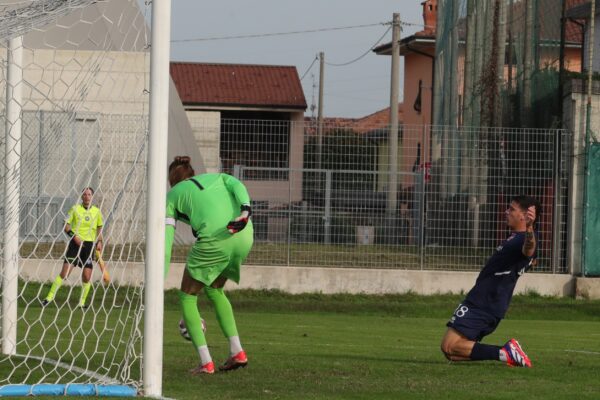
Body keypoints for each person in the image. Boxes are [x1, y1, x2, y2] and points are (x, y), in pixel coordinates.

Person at [164, 156, 254, 375]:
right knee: (215, 289)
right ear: (192, 173)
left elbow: (166, 237)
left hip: (215, 240)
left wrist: (161, 271)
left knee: (187, 296)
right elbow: (237, 184)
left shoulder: (172, 195)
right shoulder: (217, 177)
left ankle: (206, 362)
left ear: (171, 180)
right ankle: (237, 352)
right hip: (244, 233)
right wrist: (245, 210)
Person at [440, 195, 540, 368]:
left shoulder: (521, 239)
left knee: (449, 345)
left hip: (484, 302)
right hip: (487, 301)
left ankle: (506, 352)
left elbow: (529, 249)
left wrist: (530, 227)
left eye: (512, 209)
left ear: (524, 216)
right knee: (452, 353)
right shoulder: (514, 237)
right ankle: (505, 354)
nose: (506, 211)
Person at [43, 187, 104, 308]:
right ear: (82, 196)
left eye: (89, 194)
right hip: (75, 245)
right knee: (65, 274)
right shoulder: (75, 209)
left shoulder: (97, 212)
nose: (87, 197)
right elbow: (66, 227)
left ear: (92, 196)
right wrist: (74, 237)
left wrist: (100, 241)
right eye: (85, 194)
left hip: (89, 246)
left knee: (86, 277)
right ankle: (49, 297)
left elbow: (99, 228)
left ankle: (82, 303)